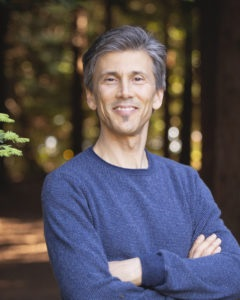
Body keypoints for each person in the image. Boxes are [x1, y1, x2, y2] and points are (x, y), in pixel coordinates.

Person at [41, 25, 240, 299]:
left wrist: (145, 269)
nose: (125, 91)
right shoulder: (67, 186)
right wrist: (194, 279)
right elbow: (89, 293)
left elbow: (234, 272)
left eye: (137, 78)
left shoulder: (186, 181)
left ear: (157, 94)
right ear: (91, 96)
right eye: (110, 79)